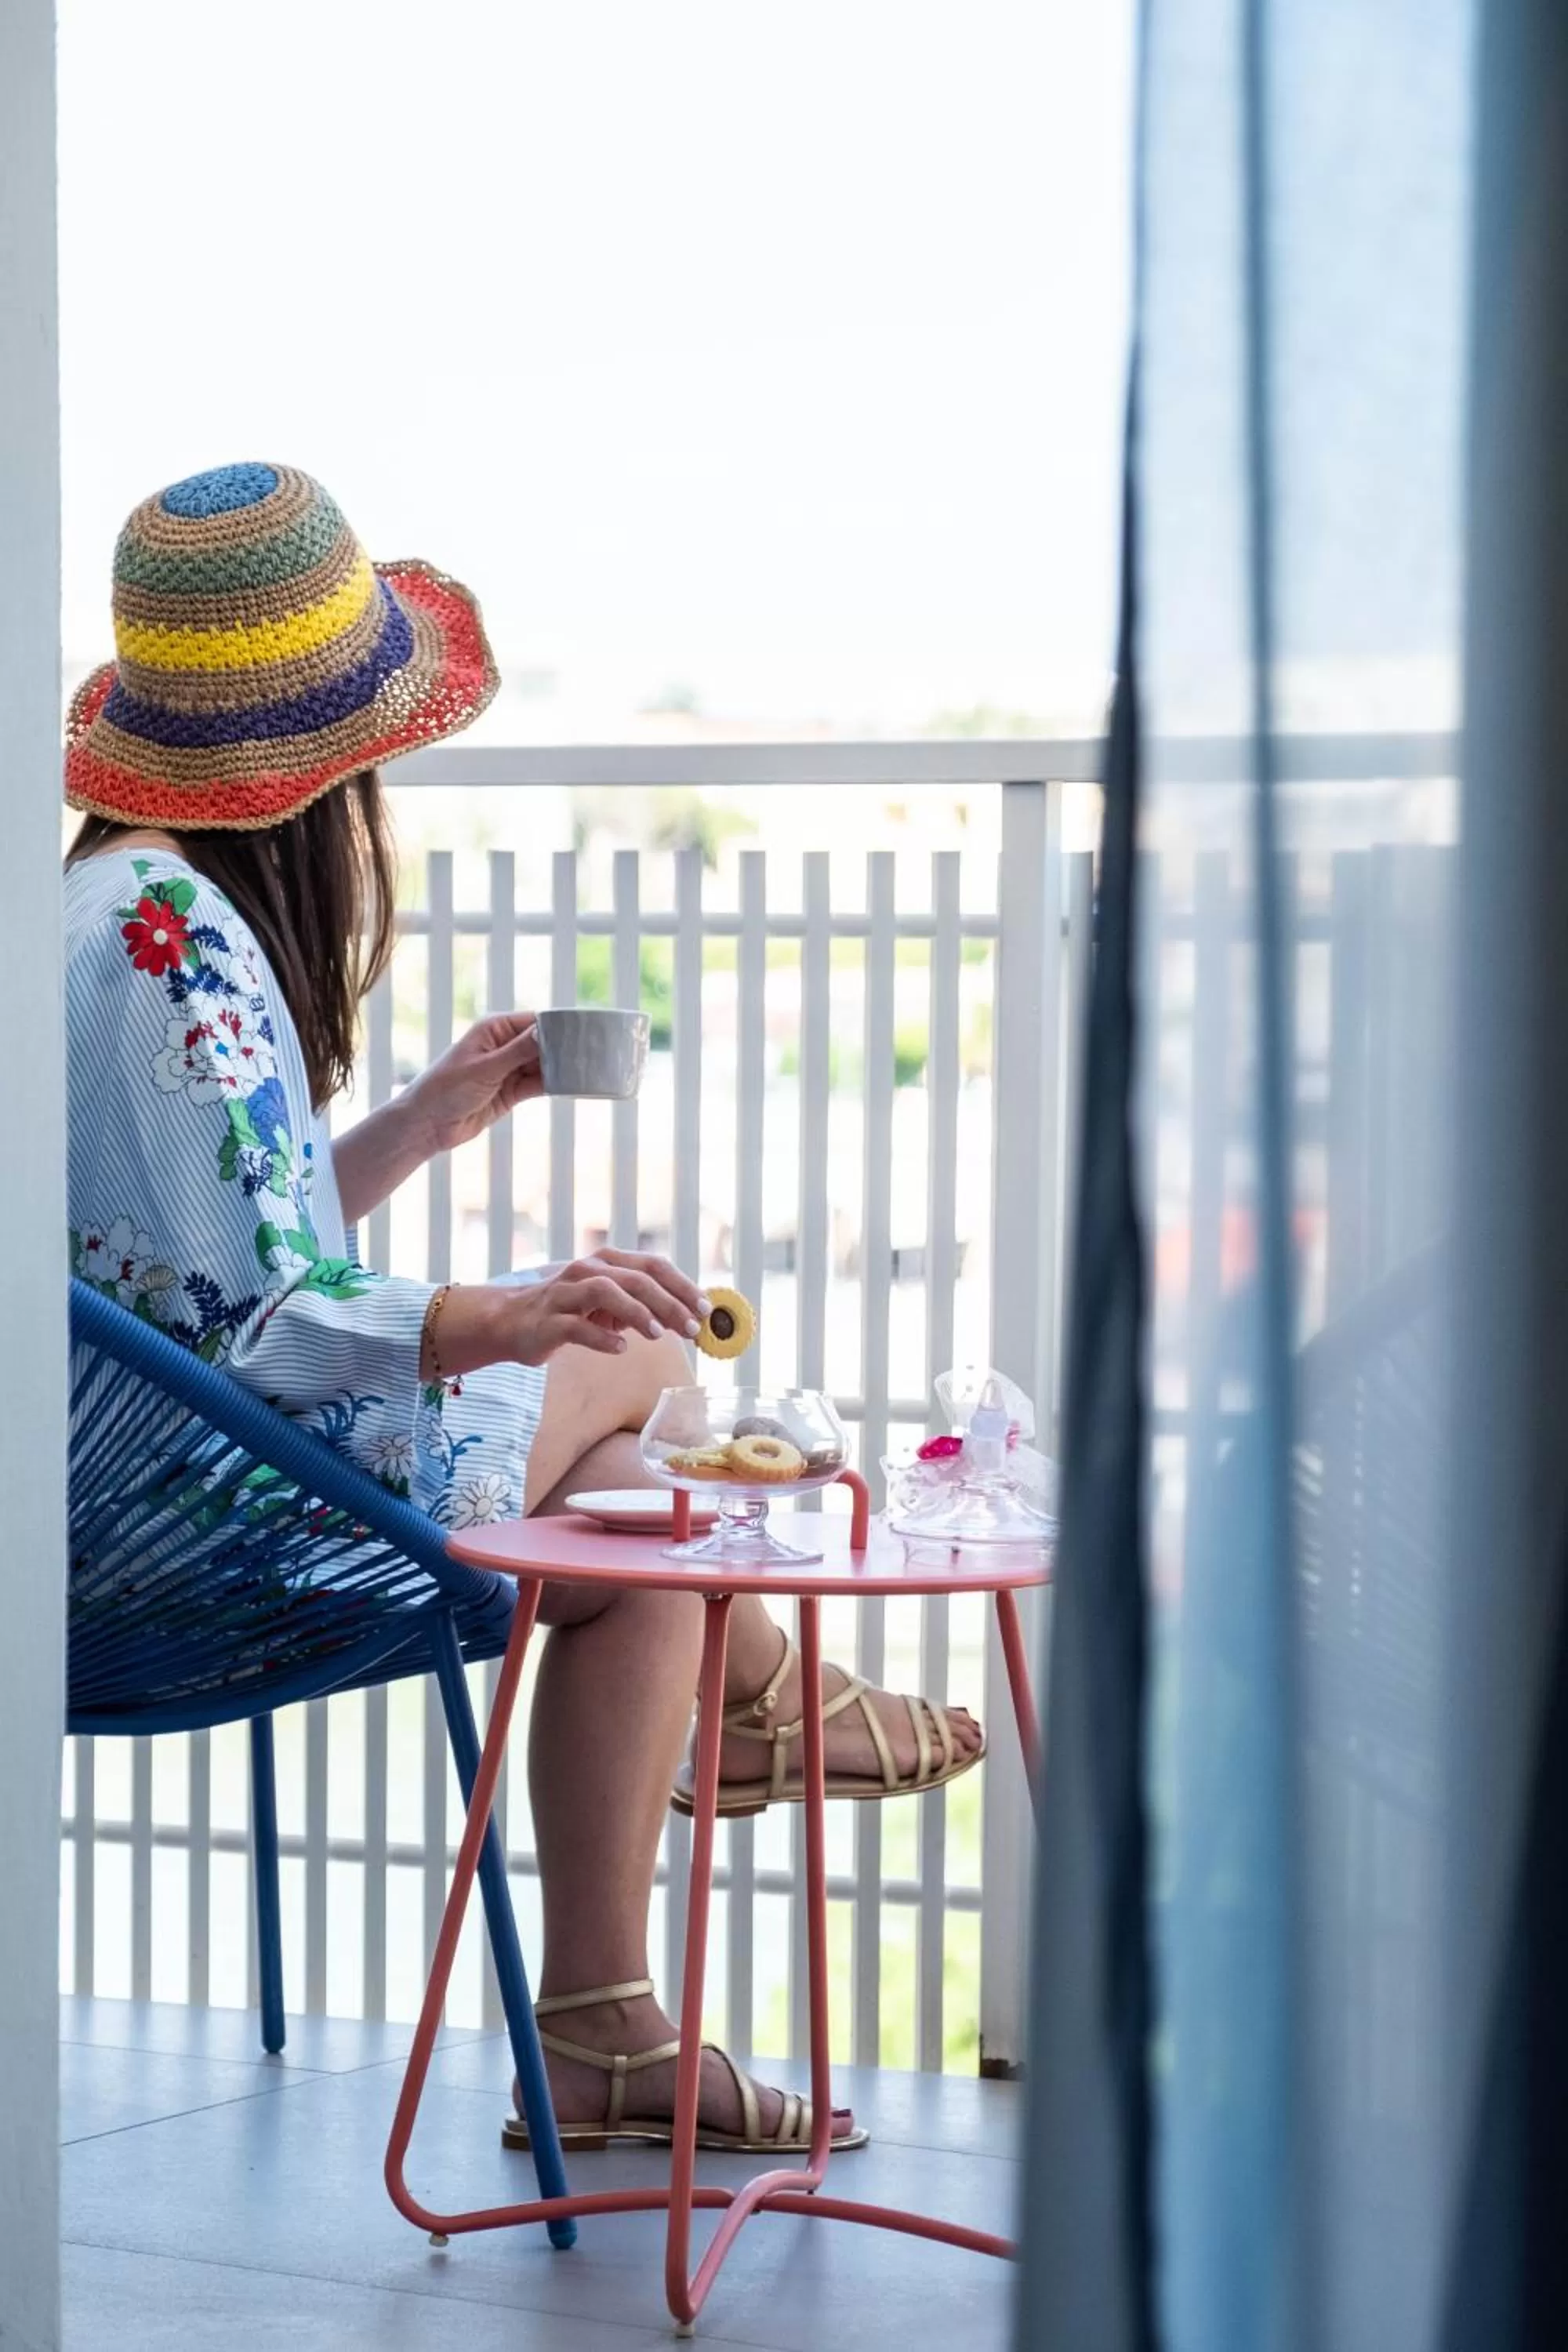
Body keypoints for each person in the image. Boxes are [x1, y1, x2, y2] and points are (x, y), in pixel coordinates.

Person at [64, 462, 983, 2154]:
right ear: (327, 772)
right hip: (166, 1536)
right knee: (638, 1334)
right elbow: (256, 1324)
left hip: (104, 1491)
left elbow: (177, 1269)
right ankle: (777, 1704)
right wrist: (503, 1316)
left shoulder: (97, 905)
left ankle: (606, 2031)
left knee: (636, 1539)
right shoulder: (179, 941)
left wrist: (415, 1125)